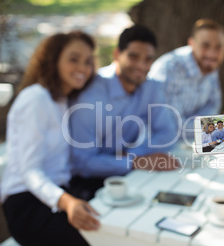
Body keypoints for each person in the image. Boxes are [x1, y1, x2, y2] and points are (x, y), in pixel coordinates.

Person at [0, 31, 130, 246]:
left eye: (89, 61)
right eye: (74, 58)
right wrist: (68, 202)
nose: (83, 66)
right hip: (28, 209)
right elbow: (30, 172)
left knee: (125, 206)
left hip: (60, 192)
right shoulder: (36, 99)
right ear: (53, 59)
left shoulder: (63, 100)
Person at [69, 25, 180, 199]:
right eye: (133, 57)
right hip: (86, 182)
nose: (141, 66)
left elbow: (168, 132)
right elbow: (83, 163)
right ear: (116, 55)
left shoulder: (151, 87)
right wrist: (137, 161)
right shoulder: (90, 97)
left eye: (148, 59)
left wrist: (131, 155)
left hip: (127, 172)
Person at [148, 18, 224, 137]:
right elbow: (171, 125)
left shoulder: (210, 65)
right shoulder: (169, 70)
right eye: (205, 45)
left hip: (193, 140)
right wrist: (207, 127)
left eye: (218, 47)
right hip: (159, 141)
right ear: (192, 44)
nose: (212, 53)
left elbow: (213, 104)